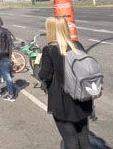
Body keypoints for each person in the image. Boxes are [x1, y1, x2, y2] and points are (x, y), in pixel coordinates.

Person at [39, 17, 93, 149]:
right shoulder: (77, 45)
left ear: (50, 30)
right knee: (83, 136)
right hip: (82, 98)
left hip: (62, 101)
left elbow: (45, 75)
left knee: (70, 139)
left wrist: (38, 66)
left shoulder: (49, 50)